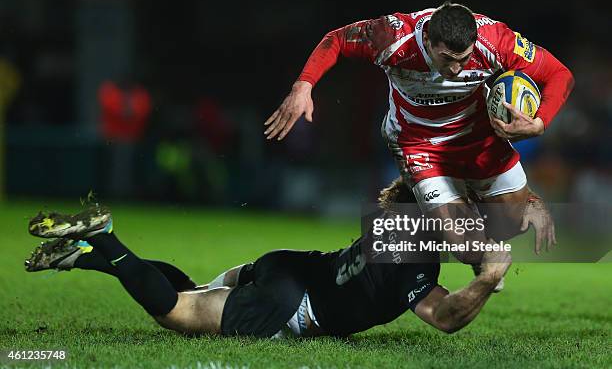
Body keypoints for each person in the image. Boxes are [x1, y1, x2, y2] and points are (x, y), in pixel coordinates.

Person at [24, 179, 553, 339]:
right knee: (179, 315)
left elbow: (448, 232)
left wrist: (485, 260)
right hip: (293, 304)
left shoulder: (393, 220)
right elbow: (445, 317)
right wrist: (486, 280)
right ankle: (108, 244)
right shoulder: (415, 266)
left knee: (193, 289)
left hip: (291, 264)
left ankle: (86, 255)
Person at [264, 1, 571, 272]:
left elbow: (560, 74)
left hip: (477, 137)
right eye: (446, 58)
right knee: (468, 250)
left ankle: (466, 202)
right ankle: (448, 217)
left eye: (463, 59)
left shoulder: (495, 40)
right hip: (418, 144)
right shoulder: (393, 36)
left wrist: (540, 123)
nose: (455, 69)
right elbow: (337, 39)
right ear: (427, 39)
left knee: (514, 222)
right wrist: (303, 86)